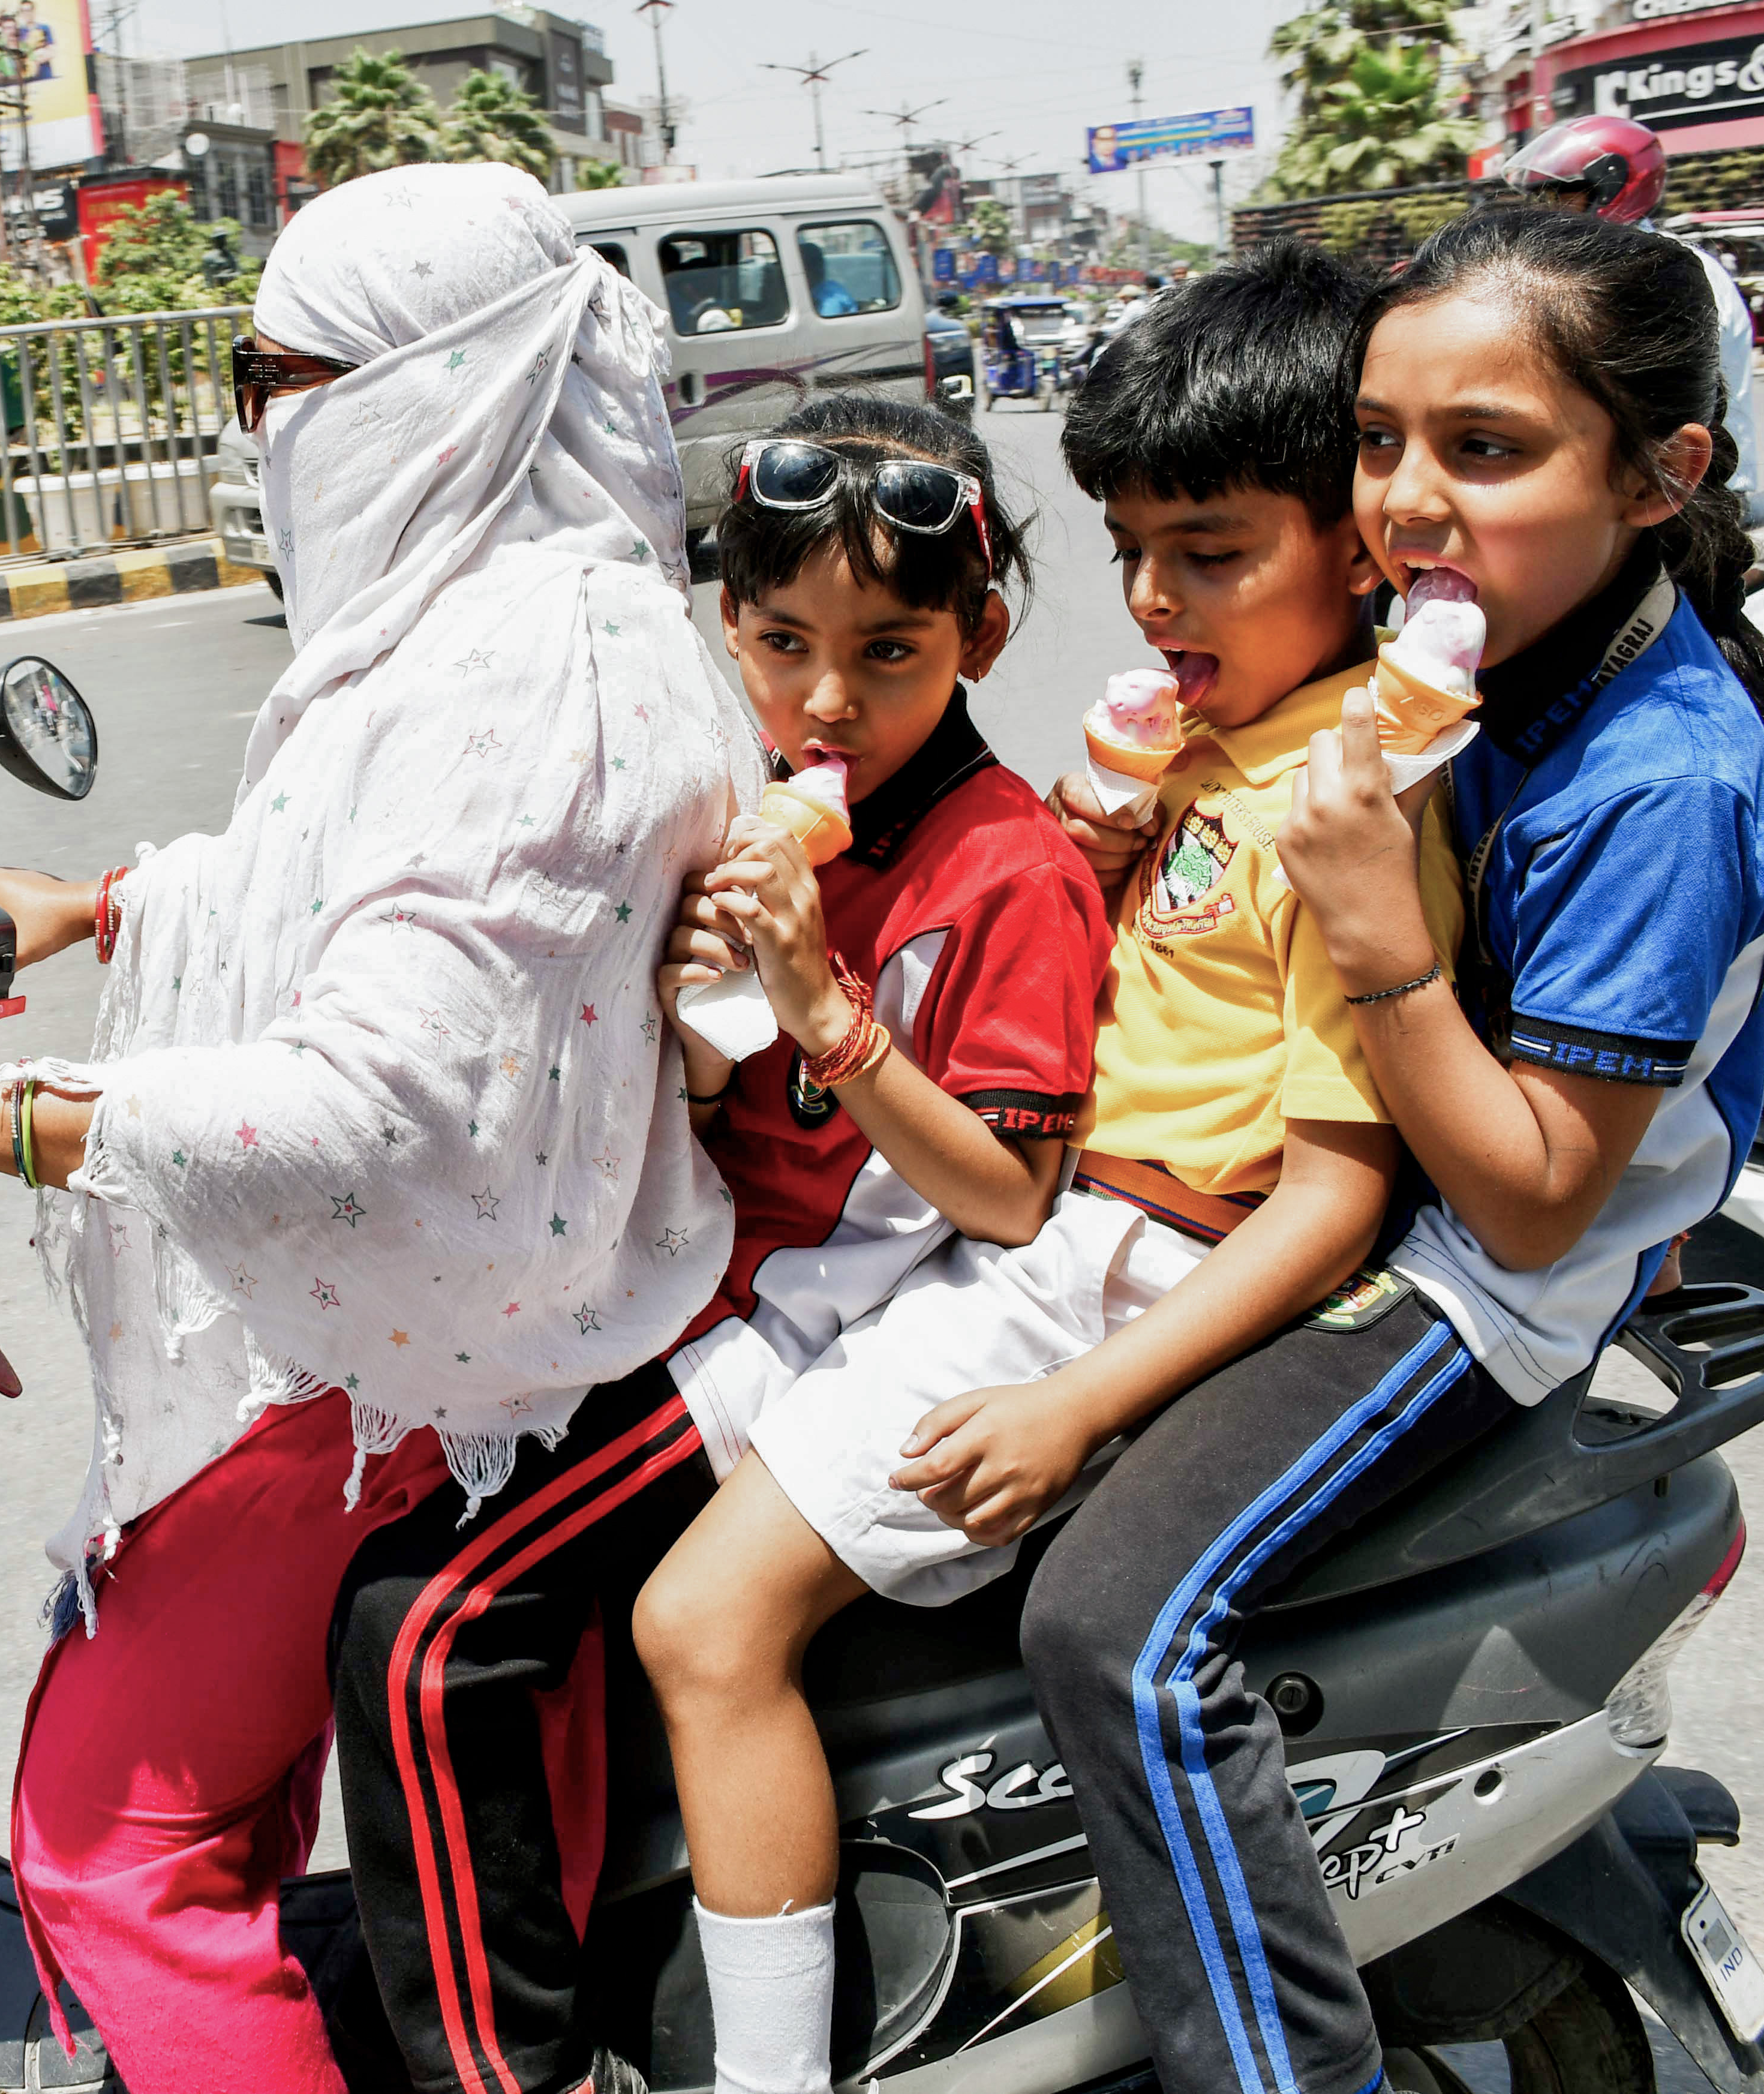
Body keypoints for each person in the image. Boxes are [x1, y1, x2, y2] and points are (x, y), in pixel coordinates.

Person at [0, 163, 761, 2094]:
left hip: (413, 1363)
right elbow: (378, 897)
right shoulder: (509, 611)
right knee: (231, 1807)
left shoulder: (533, 667)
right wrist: (104, 899)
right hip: (455, 1323)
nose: (259, 419)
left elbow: (361, 1102)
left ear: (426, 388)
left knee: (110, 1838)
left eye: (271, 373)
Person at [623, 241, 1462, 2094]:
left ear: (1361, 548)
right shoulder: (1224, 751)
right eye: (1136, 552)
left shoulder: (1343, 804)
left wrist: (1075, 1403)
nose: (1154, 602)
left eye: (1212, 553)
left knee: (696, 1613)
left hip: (1106, 1263)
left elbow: (1318, 1194)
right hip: (1048, 1238)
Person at [1021, 203, 1764, 2094]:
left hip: (1470, 1278)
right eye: (1378, 444)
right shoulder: (1477, 651)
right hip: (1338, 1178)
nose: (1404, 504)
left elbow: (1531, 1186)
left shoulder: (1659, 776)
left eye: (1486, 449)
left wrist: (1375, 936)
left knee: (1113, 1621)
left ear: (1656, 473)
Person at [325, 393, 1109, 2094]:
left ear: (981, 635)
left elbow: (1008, 1191)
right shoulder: (744, 801)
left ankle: (505, 2073)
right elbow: (695, 1084)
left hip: (795, 1332)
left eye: (890, 651)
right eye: (780, 643)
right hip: (670, 1275)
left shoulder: (1010, 869)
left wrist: (826, 1007)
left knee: (422, 1631)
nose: (828, 701)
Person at [1501, 114, 1756, 493]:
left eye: (1564, 193)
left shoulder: (1665, 272)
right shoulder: (1608, 265)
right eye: (1543, 195)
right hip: (1647, 485)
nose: (1548, 208)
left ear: (1613, 187)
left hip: (1695, 496)